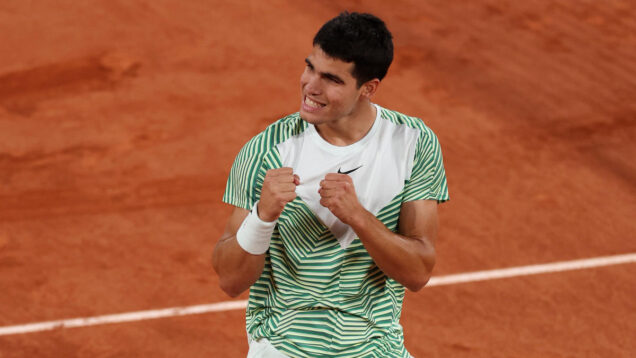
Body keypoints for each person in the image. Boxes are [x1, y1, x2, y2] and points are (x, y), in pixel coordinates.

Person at [213, 11, 449, 358]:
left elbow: (417, 273)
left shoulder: (413, 143)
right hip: (284, 347)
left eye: (331, 79)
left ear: (368, 88)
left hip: (377, 347)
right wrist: (262, 216)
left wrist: (358, 217)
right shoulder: (267, 150)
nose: (311, 86)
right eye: (310, 67)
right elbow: (230, 280)